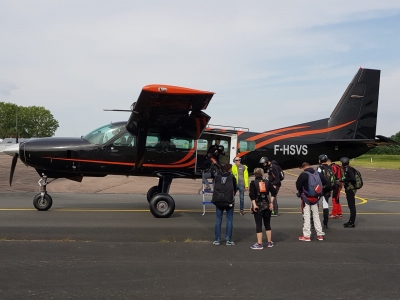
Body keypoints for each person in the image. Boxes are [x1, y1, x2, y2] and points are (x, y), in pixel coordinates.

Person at [296, 162, 327, 241]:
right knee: (316, 216)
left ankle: (307, 235)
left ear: (303, 168)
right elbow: (326, 182)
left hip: (306, 197)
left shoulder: (303, 174)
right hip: (316, 197)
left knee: (306, 216)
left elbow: (298, 185)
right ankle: (320, 234)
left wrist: (300, 191)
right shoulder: (317, 173)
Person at [249, 168, 277, 250]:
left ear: (255, 174)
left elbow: (252, 195)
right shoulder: (267, 182)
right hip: (267, 205)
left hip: (258, 205)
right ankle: (269, 242)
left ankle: (259, 243)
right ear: (262, 173)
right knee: (267, 224)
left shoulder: (253, 183)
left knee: (259, 224)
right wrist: (271, 202)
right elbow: (273, 192)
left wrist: (254, 205)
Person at [211, 163, 237, 245]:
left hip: (218, 200)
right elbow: (235, 189)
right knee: (229, 220)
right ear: (229, 169)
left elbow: (215, 186)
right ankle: (228, 239)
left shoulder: (217, 176)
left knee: (218, 219)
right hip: (228, 201)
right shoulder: (231, 177)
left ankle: (217, 239)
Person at [317, 154, 333, 229]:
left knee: (314, 205)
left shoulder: (320, 168)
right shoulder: (330, 168)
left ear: (320, 160)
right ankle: (325, 223)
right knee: (325, 205)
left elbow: (317, 177)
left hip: (321, 189)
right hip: (328, 189)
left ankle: (313, 221)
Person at [340, 157, 357, 228]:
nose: (340, 163)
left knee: (352, 206)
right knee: (350, 206)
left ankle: (352, 222)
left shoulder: (349, 169)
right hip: (348, 189)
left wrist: (345, 178)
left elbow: (353, 179)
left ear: (344, 162)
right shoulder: (346, 169)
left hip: (350, 189)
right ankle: (350, 221)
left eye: (341, 162)